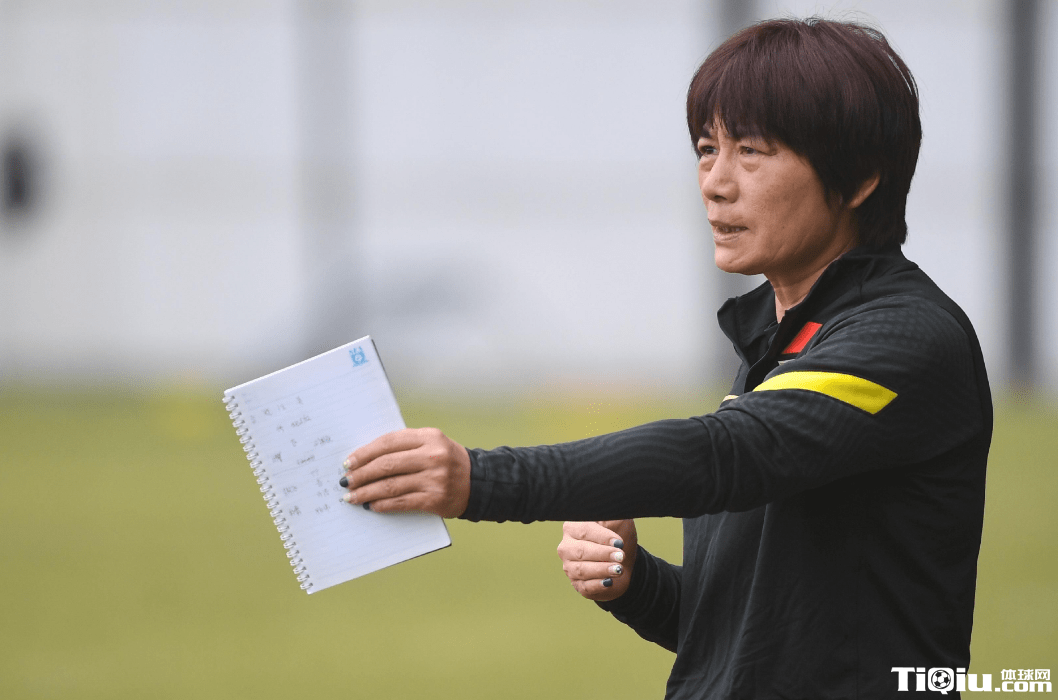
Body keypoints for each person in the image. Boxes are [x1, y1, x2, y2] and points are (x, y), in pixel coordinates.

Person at [338, 17, 991, 699]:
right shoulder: (784, 343)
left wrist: (480, 480)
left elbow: (721, 455)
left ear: (858, 179)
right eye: (707, 149)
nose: (715, 182)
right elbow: (754, 638)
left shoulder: (904, 340)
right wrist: (634, 584)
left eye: (751, 151)